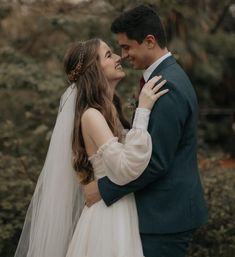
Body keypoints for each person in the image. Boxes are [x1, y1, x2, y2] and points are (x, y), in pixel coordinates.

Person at [14, 38, 168, 257]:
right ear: (94, 70)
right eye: (108, 55)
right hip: (107, 218)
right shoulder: (92, 115)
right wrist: (143, 111)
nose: (118, 57)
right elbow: (126, 167)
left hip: (119, 209)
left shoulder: (109, 111)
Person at [84, 5, 208, 257]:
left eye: (126, 47)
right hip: (160, 214)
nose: (123, 55)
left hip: (164, 217)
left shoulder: (167, 85)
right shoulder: (163, 77)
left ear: (149, 41)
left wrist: (103, 188)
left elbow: (156, 162)